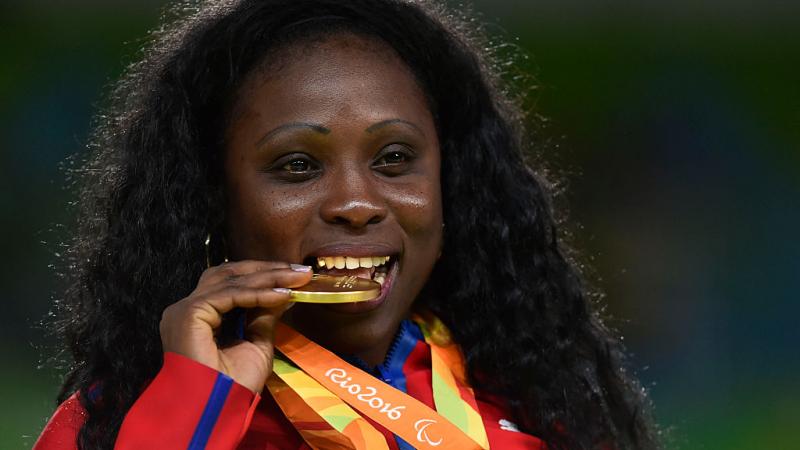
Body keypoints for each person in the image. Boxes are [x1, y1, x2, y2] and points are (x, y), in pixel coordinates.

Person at [33, 0, 660, 449]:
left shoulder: (541, 412)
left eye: (394, 159)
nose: (356, 204)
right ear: (212, 202)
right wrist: (194, 408)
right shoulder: (111, 428)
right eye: (297, 166)